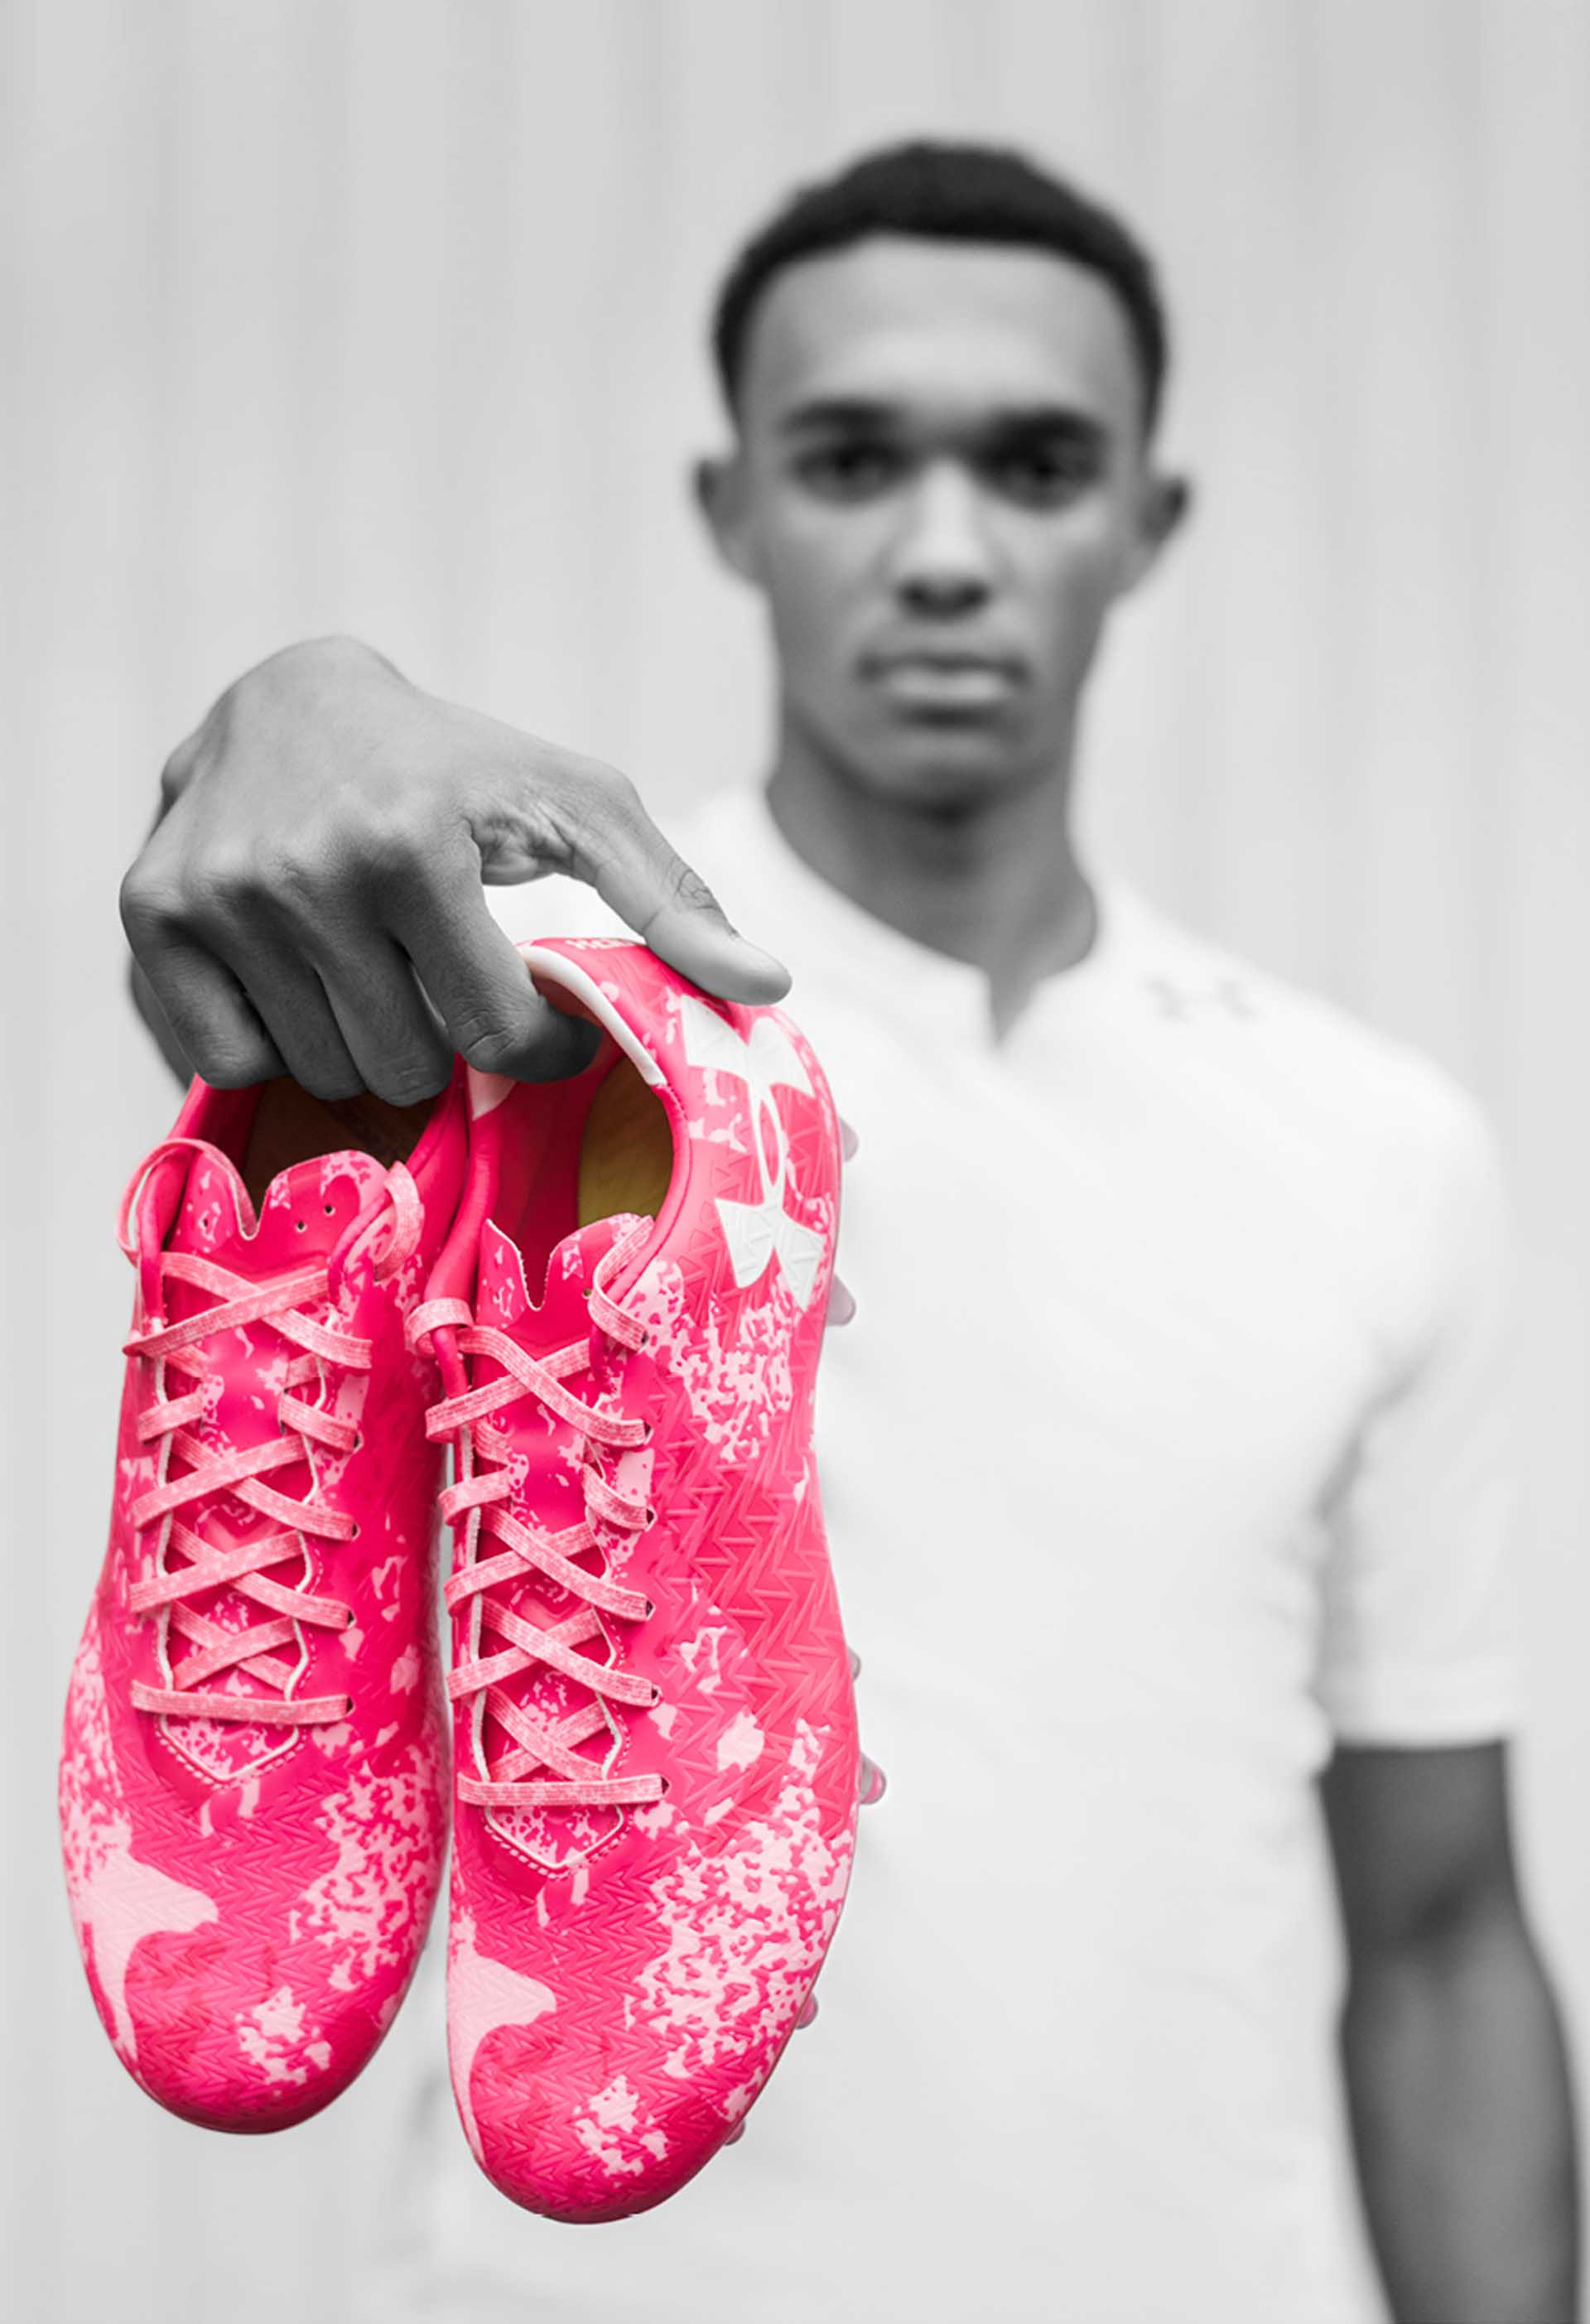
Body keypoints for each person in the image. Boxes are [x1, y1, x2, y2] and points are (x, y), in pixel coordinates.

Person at [120, 142, 1578, 2324]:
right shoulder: (517, 1010)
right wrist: (284, 705)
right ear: (735, 509)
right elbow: (273, 935)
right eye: (853, 460)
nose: (946, 551)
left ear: (1145, 520)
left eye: (1037, 466)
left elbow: (1445, 1934)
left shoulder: (1382, 1145)